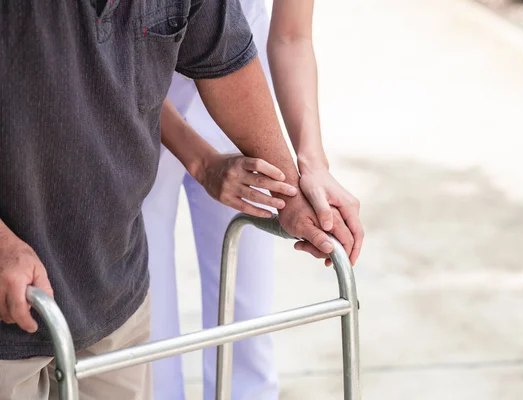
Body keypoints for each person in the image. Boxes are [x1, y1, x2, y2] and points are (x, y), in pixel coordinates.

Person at [0, 0, 339, 398]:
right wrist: (199, 159)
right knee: (155, 335)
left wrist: (304, 178)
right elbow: (102, 65)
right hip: (140, 107)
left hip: (228, 95)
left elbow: (280, 38)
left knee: (249, 321)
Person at [144, 1, 364, 399]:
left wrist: (311, 162)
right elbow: (107, 50)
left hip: (242, 91)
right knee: (146, 331)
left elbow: (292, 34)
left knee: (248, 324)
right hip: (140, 95)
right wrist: (200, 161)